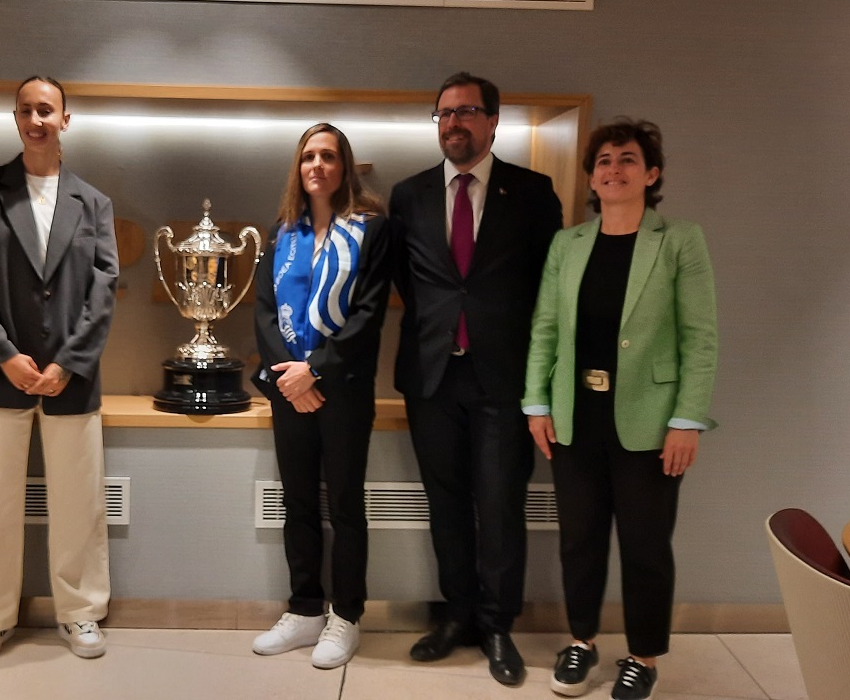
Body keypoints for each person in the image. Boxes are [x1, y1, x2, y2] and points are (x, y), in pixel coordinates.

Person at [523, 119, 717, 700]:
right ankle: (581, 642)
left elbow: (700, 338)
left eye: (628, 159)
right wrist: (536, 401)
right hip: (574, 414)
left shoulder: (680, 239)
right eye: (604, 160)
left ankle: (643, 656)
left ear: (651, 174)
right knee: (579, 539)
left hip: (652, 421)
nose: (614, 169)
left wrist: (687, 420)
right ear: (591, 176)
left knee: (645, 544)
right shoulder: (568, 243)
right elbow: (546, 329)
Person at [388, 71, 563, 686]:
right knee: (446, 507)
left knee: (499, 505)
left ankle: (497, 626)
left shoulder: (534, 193)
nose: (453, 123)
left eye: (465, 112)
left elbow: (549, 291)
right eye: (443, 114)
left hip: (504, 380)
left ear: (493, 120)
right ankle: (456, 616)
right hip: (432, 376)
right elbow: (411, 285)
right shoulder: (407, 196)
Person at [0, 76, 118, 663]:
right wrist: (4, 354)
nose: (36, 119)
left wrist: (68, 363)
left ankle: (80, 613)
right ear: (16, 119)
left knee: (79, 501)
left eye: (45, 109)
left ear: (65, 119)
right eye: (25, 109)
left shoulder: (93, 202)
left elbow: (104, 290)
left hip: (71, 376)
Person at [250, 123, 390, 670]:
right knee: (299, 503)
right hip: (289, 390)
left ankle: (347, 615)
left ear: (344, 166)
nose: (317, 165)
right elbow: (263, 311)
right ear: (298, 167)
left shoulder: (373, 231)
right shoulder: (282, 233)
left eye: (328, 156)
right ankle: (306, 607)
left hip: (345, 392)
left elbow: (369, 315)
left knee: (347, 505)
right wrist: (290, 378)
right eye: (308, 156)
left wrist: (317, 373)